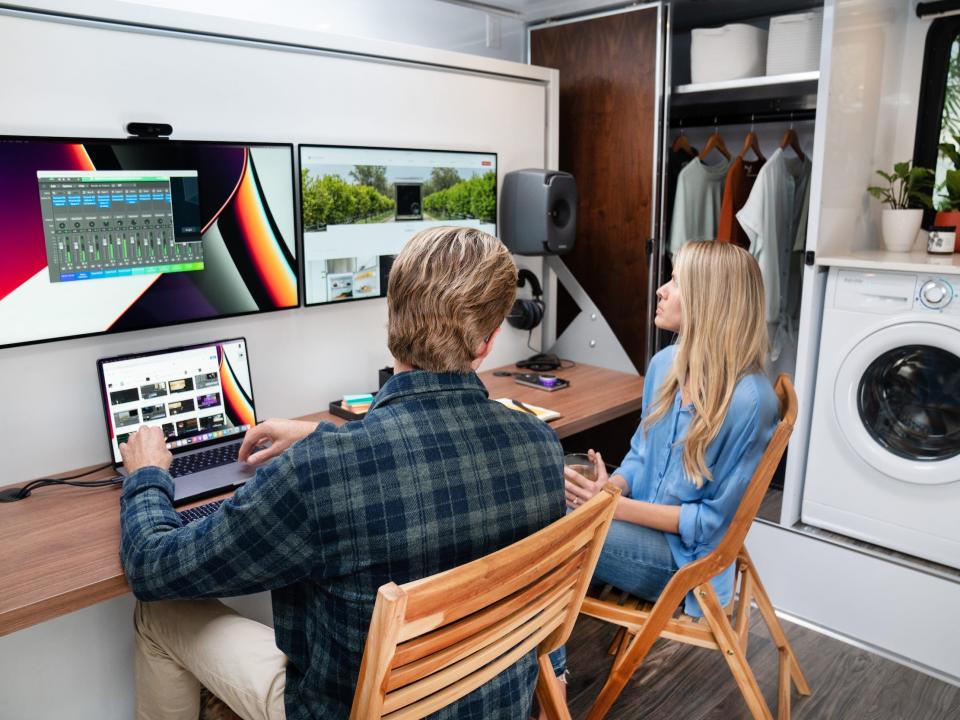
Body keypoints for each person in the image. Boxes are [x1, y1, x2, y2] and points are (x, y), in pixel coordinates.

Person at [118, 226, 565, 720]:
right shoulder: (539, 447)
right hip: (493, 703)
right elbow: (427, 459)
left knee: (156, 612)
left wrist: (146, 477)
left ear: (392, 316)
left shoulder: (320, 476)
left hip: (342, 710)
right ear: (488, 342)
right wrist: (321, 437)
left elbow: (152, 568)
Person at [546, 240, 780, 704]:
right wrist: (609, 484)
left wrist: (611, 506)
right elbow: (638, 453)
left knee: (553, 528)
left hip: (682, 562)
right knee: (555, 502)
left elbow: (709, 524)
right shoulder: (665, 366)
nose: (661, 289)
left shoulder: (751, 401)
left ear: (711, 302)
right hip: (637, 524)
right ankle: (542, 667)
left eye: (676, 282)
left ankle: (547, 681)